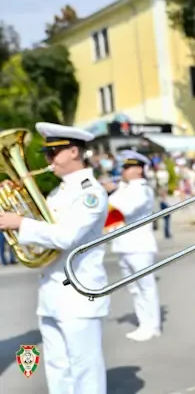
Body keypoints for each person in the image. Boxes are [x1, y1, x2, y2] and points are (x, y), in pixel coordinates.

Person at [0, 123, 109, 394]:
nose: (48, 160)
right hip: (51, 293)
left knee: (85, 370)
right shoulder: (58, 192)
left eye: (54, 153)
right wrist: (14, 200)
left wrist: (20, 222)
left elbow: (65, 237)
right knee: (57, 367)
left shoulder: (90, 193)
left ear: (74, 152)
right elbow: (43, 232)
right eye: (47, 154)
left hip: (80, 294)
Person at [104, 150, 161, 342]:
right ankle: (143, 323)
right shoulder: (125, 189)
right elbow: (110, 210)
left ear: (139, 169)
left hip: (139, 246)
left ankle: (152, 326)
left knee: (146, 287)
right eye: (124, 167)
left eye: (128, 167)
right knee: (134, 289)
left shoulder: (141, 189)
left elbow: (124, 209)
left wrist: (112, 193)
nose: (124, 170)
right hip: (124, 245)